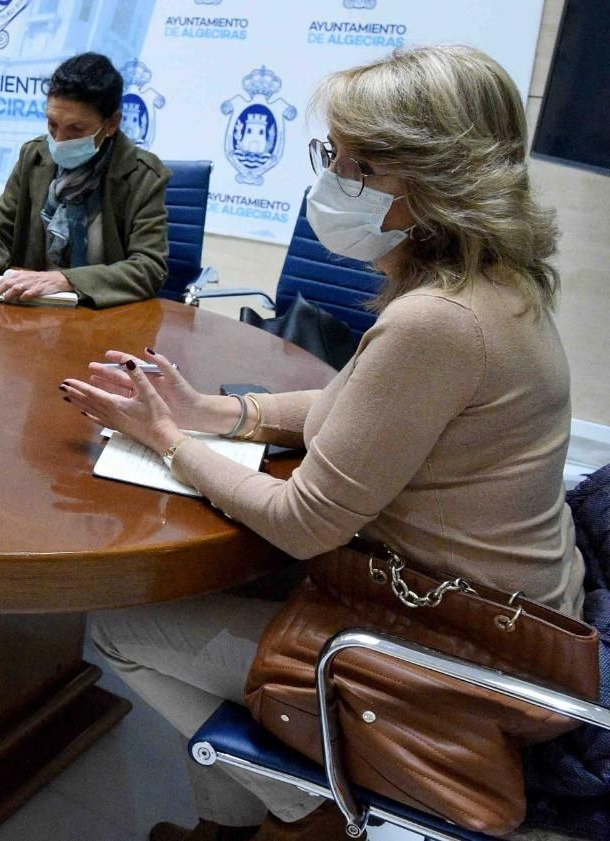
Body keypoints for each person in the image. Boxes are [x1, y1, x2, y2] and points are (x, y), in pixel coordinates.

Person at [61, 46, 582, 841]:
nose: (334, 177)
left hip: (464, 657)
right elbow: (348, 402)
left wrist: (164, 436)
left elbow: (306, 521)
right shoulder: (484, 283)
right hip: (500, 611)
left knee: (123, 627)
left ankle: (300, 812)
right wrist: (212, 411)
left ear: (442, 179)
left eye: (362, 163)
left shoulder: (437, 322)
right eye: (332, 153)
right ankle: (235, 820)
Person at [0, 51, 170, 308]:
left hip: (104, 317)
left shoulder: (142, 175)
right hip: (31, 310)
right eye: (52, 124)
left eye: (76, 129)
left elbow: (149, 268)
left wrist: (66, 280)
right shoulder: (34, 157)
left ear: (112, 124)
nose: (59, 141)